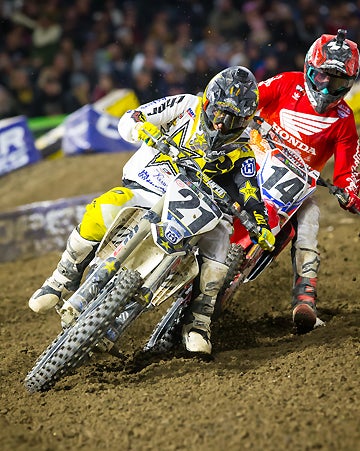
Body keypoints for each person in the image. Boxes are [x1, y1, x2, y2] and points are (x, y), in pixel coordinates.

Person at [28, 65, 275, 354]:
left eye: (232, 120)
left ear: (245, 122)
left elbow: (249, 192)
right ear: (208, 102)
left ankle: (199, 320)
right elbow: (132, 117)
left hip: (197, 209)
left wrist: (261, 223)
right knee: (104, 207)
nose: (222, 125)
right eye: (220, 114)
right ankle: (61, 278)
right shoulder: (185, 106)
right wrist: (140, 126)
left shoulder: (242, 150)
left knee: (222, 237)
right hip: (149, 188)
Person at [255, 29, 360, 334]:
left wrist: (350, 193)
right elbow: (250, 98)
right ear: (309, 70)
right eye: (323, 77)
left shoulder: (344, 121)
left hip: (295, 189)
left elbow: (346, 174)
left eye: (338, 81)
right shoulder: (287, 83)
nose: (327, 88)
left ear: (349, 84)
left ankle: (306, 299)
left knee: (311, 216)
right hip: (252, 163)